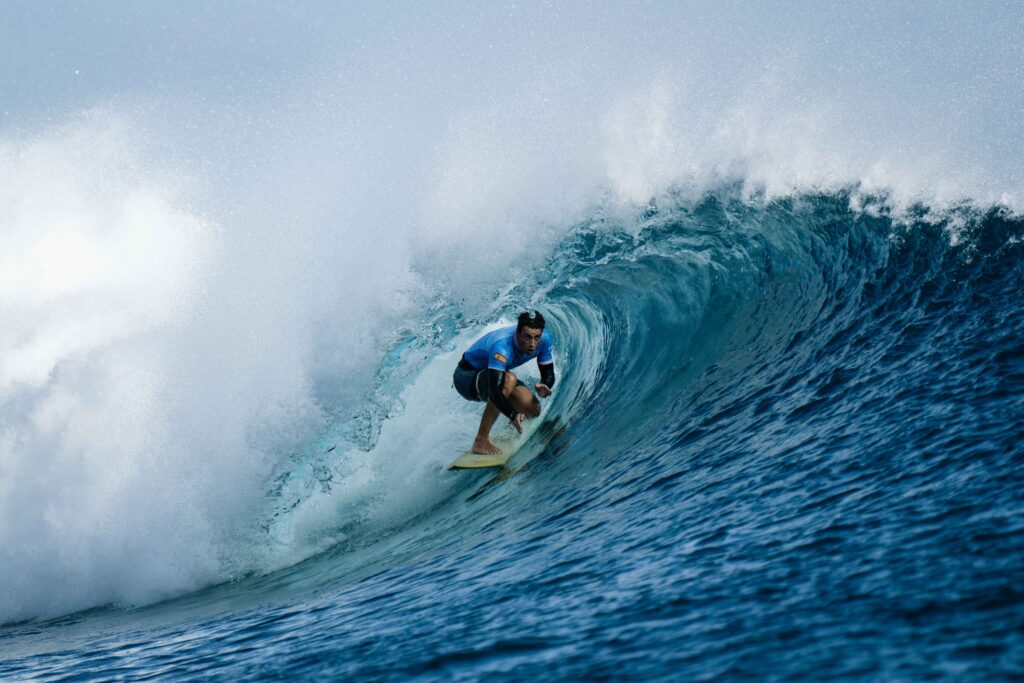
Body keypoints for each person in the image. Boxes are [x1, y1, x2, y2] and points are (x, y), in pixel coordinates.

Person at [453, 311, 556, 455]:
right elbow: (495, 391)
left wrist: (545, 385)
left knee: (532, 408)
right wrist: (512, 414)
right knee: (509, 379)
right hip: (466, 377)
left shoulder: (544, 340)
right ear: (518, 333)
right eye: (527, 337)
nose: (532, 344)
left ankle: (513, 425)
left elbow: (548, 374)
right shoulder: (502, 346)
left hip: (493, 375)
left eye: (536, 337)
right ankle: (480, 441)